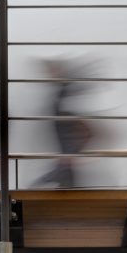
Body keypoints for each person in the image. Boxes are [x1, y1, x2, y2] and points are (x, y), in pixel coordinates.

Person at [32, 58, 96, 189]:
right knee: (67, 183)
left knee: (48, 182)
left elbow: (80, 125)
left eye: (50, 70)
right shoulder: (61, 91)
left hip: (67, 151)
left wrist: (72, 153)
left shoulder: (65, 92)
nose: (47, 74)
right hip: (65, 150)